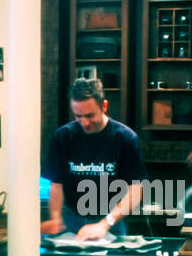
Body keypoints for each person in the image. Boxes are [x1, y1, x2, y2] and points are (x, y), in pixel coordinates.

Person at [41, 78, 146, 240]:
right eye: (78, 116)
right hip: (71, 218)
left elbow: (136, 191)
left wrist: (105, 224)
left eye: (90, 115)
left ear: (104, 106)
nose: (84, 123)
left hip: (112, 219)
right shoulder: (63, 137)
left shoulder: (126, 138)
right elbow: (56, 184)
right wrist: (55, 218)